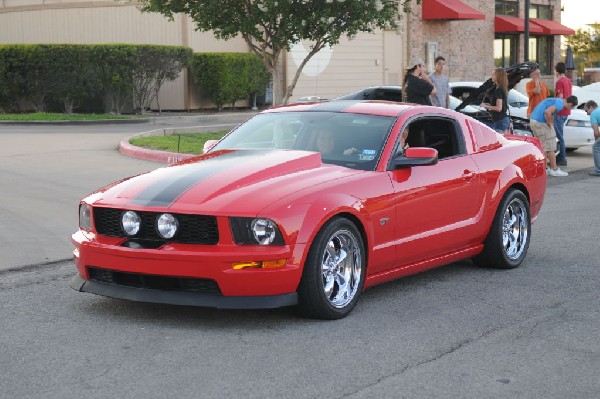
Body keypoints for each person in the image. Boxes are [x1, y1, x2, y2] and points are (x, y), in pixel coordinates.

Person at [529, 96, 578, 177]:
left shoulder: (558, 100)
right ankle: (554, 169)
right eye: (571, 107)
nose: (570, 109)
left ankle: (544, 169)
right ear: (570, 104)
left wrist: (551, 122)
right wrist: (550, 124)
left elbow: (551, 113)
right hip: (541, 123)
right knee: (550, 146)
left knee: (543, 146)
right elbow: (547, 112)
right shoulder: (560, 104)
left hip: (534, 120)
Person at [554, 62, 573, 166]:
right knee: (560, 135)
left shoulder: (559, 81)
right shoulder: (568, 81)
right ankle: (561, 157)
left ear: (556, 70)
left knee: (559, 136)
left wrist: (553, 107)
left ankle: (562, 158)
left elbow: (560, 97)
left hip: (560, 111)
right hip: (566, 111)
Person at [481, 67, 510, 134]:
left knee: (499, 143)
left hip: (500, 121)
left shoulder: (498, 90)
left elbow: (499, 108)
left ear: (498, 76)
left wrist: (486, 106)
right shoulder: (502, 88)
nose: (492, 76)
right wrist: (491, 105)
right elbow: (501, 105)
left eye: (494, 74)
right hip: (503, 120)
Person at [584, 100, 600, 177]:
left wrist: (596, 140)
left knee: (596, 147)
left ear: (591, 107)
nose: (586, 113)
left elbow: (596, 132)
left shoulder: (593, 114)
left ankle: (598, 170)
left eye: (586, 110)